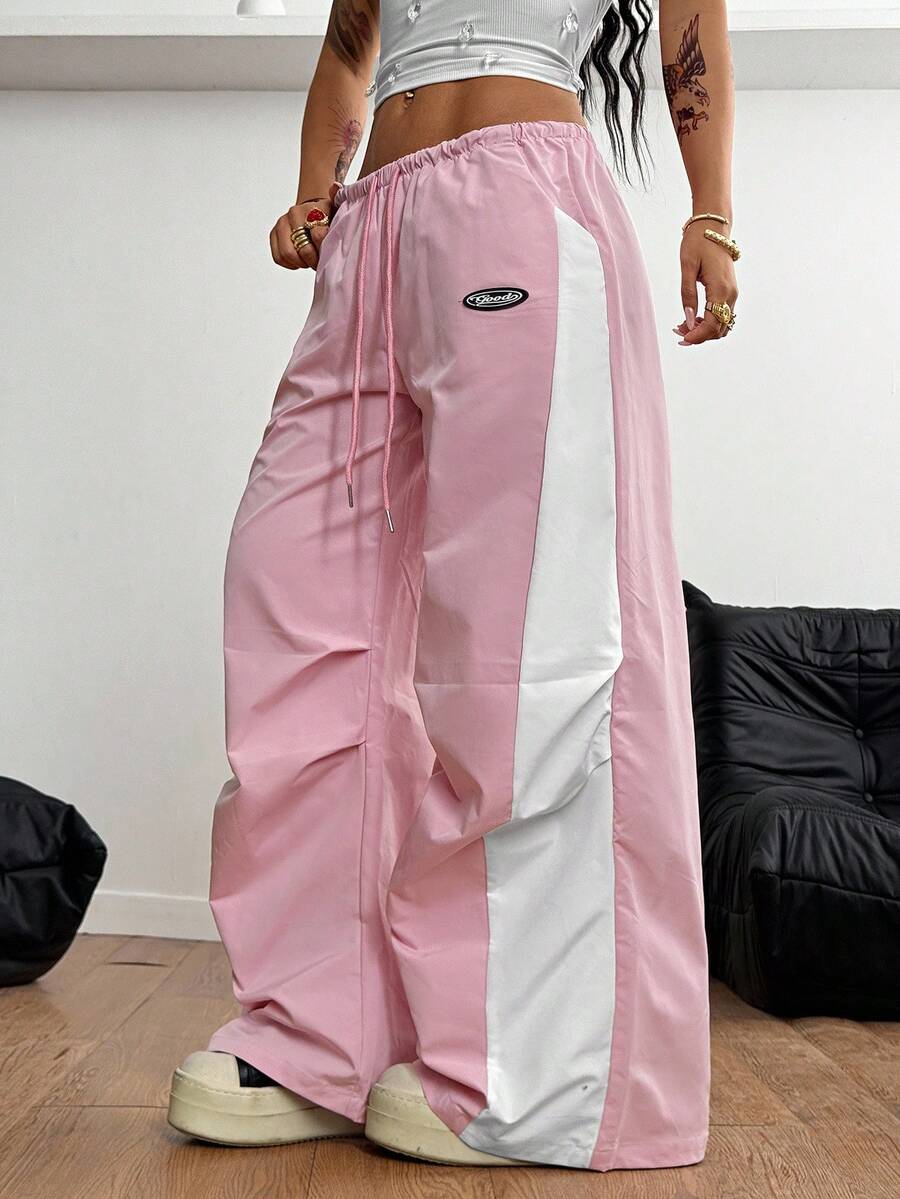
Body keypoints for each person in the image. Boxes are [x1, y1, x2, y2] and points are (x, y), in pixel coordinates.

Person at [167, 0, 737, 1172]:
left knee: (527, 629)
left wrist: (712, 213)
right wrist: (317, 190)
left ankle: (534, 1068)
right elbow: (351, 45)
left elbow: (693, 23)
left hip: (520, 198)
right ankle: (321, 1034)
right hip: (371, 232)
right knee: (300, 610)